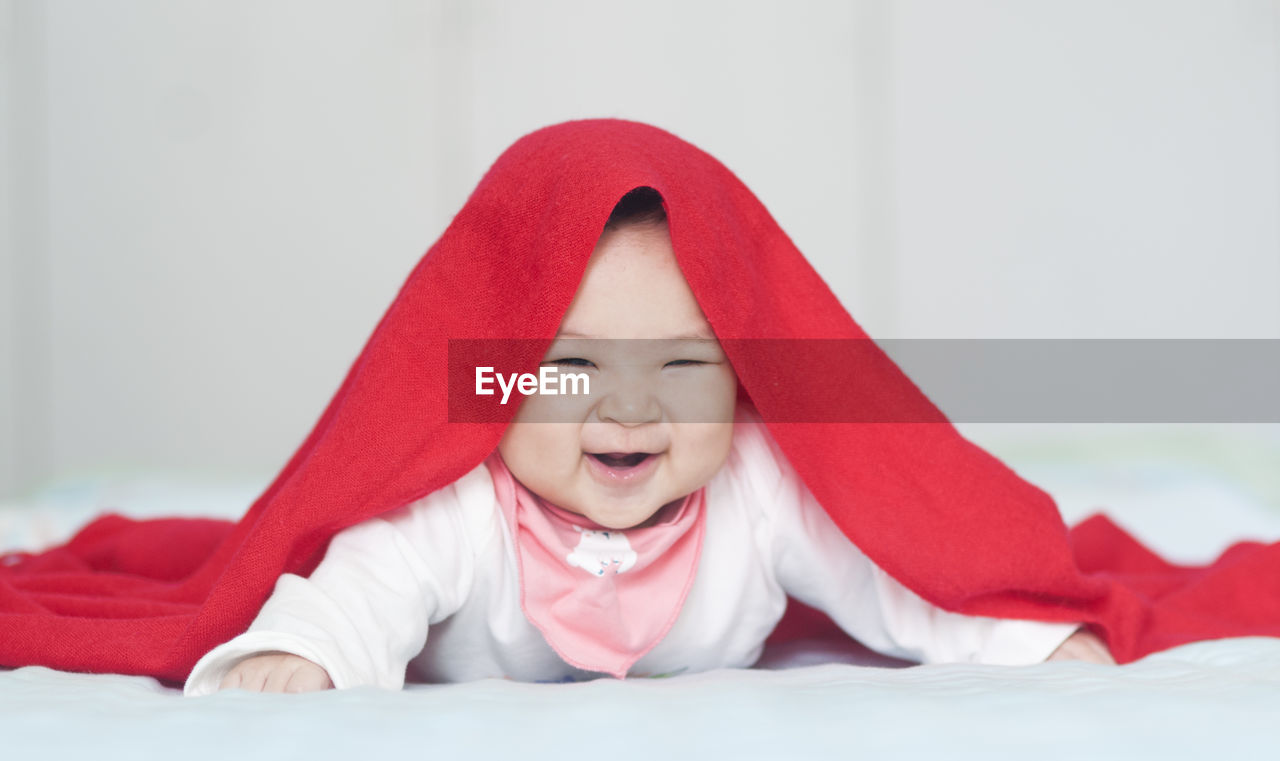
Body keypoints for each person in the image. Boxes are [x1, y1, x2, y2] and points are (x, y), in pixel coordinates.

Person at [184, 187, 1111, 695]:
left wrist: (1021, 640)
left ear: (747, 382)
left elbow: (890, 568)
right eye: (573, 365)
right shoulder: (461, 498)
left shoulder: (758, 482)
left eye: (679, 367)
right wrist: (311, 654)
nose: (628, 412)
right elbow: (366, 585)